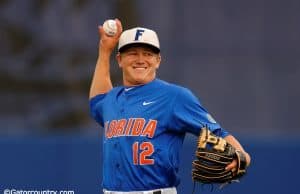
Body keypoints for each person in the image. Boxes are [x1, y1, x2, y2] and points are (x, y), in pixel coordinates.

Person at [89, 19, 251, 194]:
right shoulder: (112, 99)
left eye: (148, 54)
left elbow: (217, 133)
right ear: (120, 60)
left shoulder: (174, 97)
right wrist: (104, 51)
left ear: (158, 60)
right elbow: (97, 99)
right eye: (132, 53)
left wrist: (242, 154)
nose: (141, 59)